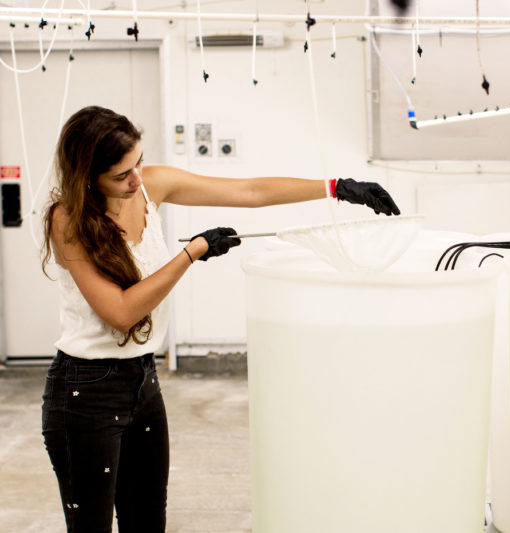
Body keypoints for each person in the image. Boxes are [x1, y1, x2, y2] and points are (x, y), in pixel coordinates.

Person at [39, 105, 400, 533]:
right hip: (85, 392)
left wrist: (336, 187)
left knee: (147, 522)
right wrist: (192, 252)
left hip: (141, 381)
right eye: (121, 175)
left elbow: (249, 191)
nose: (137, 180)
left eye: (138, 162)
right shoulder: (68, 219)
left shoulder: (149, 185)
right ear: (86, 176)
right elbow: (121, 313)